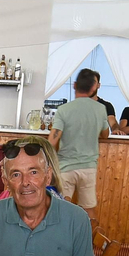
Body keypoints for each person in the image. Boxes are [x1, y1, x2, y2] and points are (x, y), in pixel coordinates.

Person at [49, 68, 111, 220]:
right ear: (93, 88)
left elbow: (53, 140)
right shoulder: (101, 109)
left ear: (74, 85)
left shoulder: (64, 110)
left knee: (61, 209)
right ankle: (89, 242)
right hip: (89, 167)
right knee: (89, 211)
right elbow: (105, 134)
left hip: (65, 167)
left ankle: (60, 243)